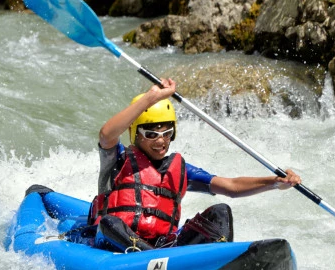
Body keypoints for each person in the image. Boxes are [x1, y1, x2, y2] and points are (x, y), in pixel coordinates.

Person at [71, 78, 301, 252]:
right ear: (135, 134)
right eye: (151, 134)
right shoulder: (117, 160)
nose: (160, 141)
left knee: (220, 213)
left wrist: (274, 182)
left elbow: (231, 186)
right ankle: (149, 259)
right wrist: (149, 99)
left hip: (162, 248)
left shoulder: (180, 170)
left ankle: (214, 269)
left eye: (166, 133)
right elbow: (106, 135)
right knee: (111, 222)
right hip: (114, 244)